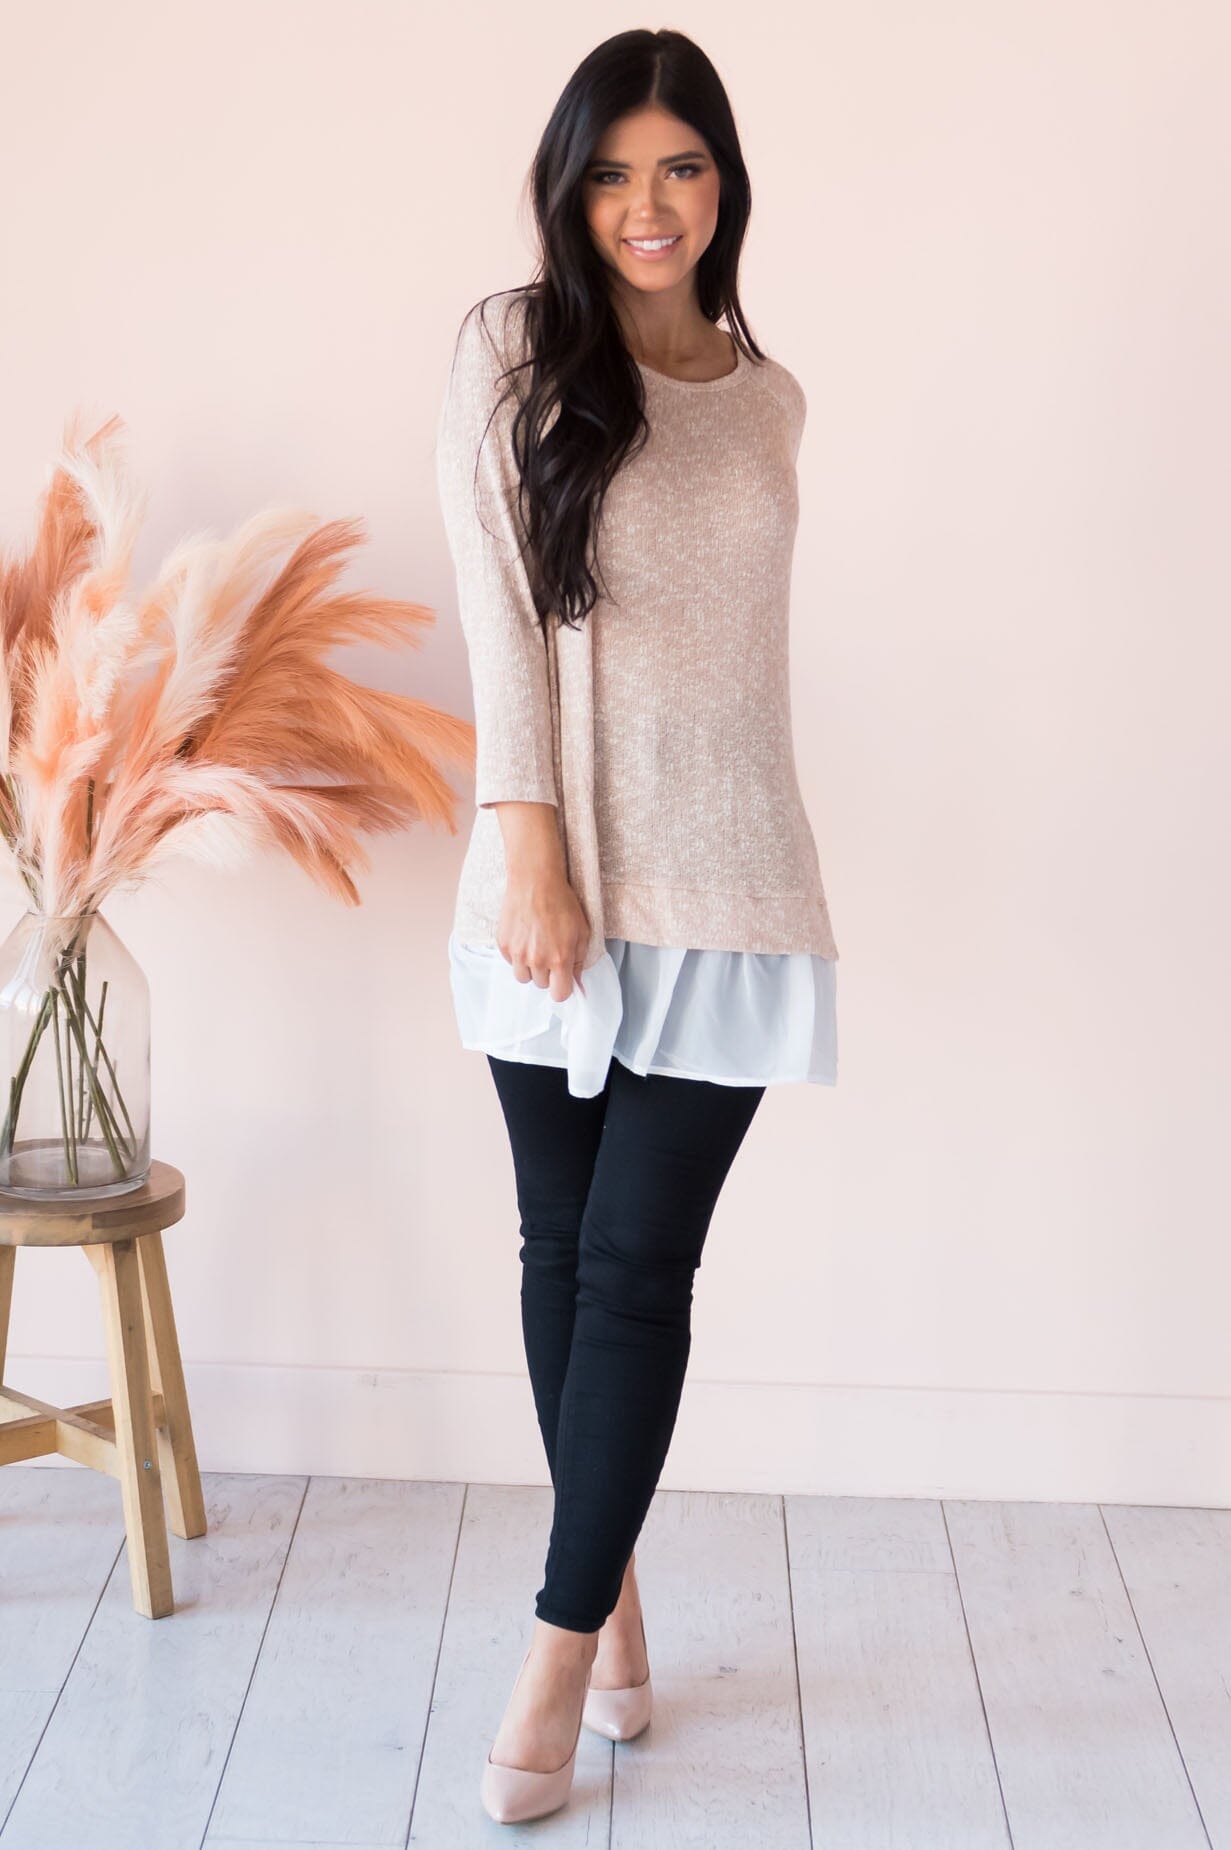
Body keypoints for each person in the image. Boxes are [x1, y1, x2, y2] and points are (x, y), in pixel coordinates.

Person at [434, 25, 840, 1827]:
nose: (647, 203)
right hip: (554, 878)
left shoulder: (772, 399)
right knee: (559, 1248)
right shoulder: (511, 351)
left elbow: (737, 668)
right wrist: (528, 841)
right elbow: (498, 611)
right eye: (612, 171)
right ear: (570, 188)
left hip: (736, 881)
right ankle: (610, 1600)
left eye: (680, 166)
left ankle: (552, 1644)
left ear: (725, 182)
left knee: (636, 1267)